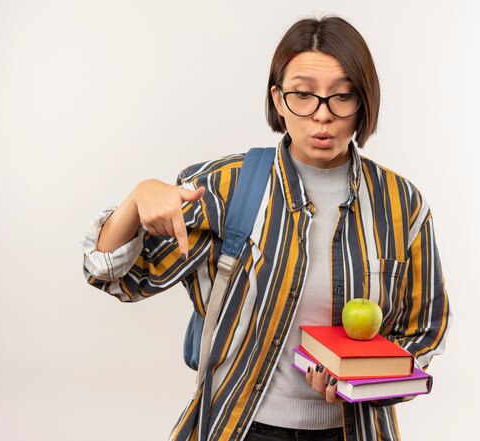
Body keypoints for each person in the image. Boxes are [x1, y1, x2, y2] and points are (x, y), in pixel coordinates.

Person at [82, 15, 451, 441]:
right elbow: (116, 277)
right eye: (303, 95)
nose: (322, 116)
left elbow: (424, 330)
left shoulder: (401, 203)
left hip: (357, 431)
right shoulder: (226, 187)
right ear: (278, 99)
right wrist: (137, 198)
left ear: (363, 101)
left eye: (342, 96)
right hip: (239, 428)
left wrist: (365, 382)